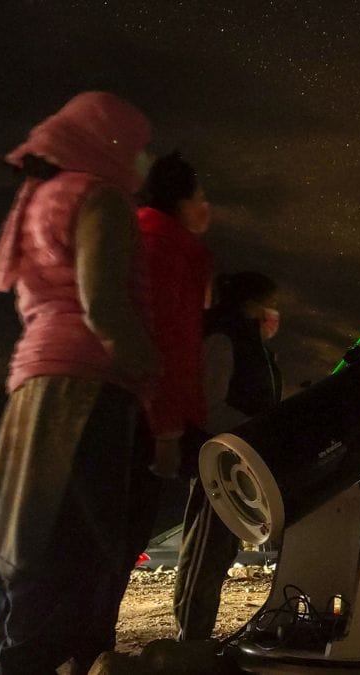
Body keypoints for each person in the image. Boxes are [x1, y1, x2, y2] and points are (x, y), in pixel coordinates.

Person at [0, 91, 159, 674]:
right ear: (110, 143)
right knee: (76, 543)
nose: (142, 160)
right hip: (85, 386)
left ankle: (17, 657)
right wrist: (151, 373)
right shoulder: (99, 197)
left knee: (26, 539)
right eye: (138, 146)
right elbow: (102, 305)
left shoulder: (39, 198)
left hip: (33, 380)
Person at [174, 271, 283, 642]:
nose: (273, 314)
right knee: (205, 553)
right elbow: (207, 407)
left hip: (238, 462)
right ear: (250, 305)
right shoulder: (224, 340)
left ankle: (197, 635)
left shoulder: (254, 349)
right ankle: (190, 639)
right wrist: (254, 432)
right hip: (218, 465)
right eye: (267, 304)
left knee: (219, 555)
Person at [135, 151, 214, 479]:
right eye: (200, 196)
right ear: (180, 202)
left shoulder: (157, 242)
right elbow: (161, 337)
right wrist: (166, 431)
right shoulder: (162, 249)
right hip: (144, 422)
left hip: (147, 415)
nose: (206, 206)